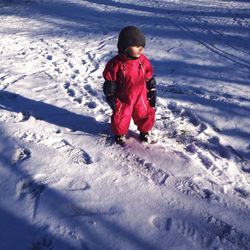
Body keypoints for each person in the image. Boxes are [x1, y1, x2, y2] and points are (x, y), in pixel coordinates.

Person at [103, 26, 156, 145]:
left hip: (140, 95)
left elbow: (148, 75)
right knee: (121, 117)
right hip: (123, 97)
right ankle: (120, 134)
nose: (141, 49)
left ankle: (144, 132)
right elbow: (110, 80)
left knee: (144, 113)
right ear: (125, 47)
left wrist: (151, 87)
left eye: (142, 46)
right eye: (137, 46)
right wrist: (110, 93)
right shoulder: (115, 64)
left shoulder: (143, 61)